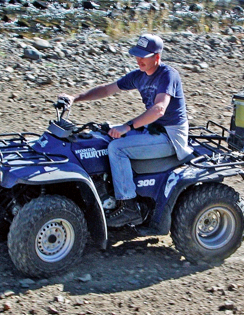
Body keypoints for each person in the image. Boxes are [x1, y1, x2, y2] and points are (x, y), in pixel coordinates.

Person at [59, 34, 193, 227]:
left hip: (170, 136)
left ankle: (129, 206)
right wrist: (75, 98)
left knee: (117, 148)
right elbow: (107, 89)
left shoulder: (167, 75)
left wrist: (127, 126)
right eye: (137, 55)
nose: (139, 60)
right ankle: (106, 193)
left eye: (144, 56)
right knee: (103, 136)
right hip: (151, 130)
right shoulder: (139, 76)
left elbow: (159, 109)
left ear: (156, 56)